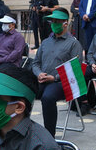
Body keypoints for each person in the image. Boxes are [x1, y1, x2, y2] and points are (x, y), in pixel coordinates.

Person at [32, 8, 83, 137]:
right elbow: (35, 63)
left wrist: (54, 77)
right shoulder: (45, 42)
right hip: (42, 78)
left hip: (62, 81)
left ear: (65, 23)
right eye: (52, 21)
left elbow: (74, 69)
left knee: (47, 98)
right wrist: (38, 73)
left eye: (57, 21)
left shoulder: (73, 43)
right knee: (22, 91)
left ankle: (49, 135)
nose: (54, 24)